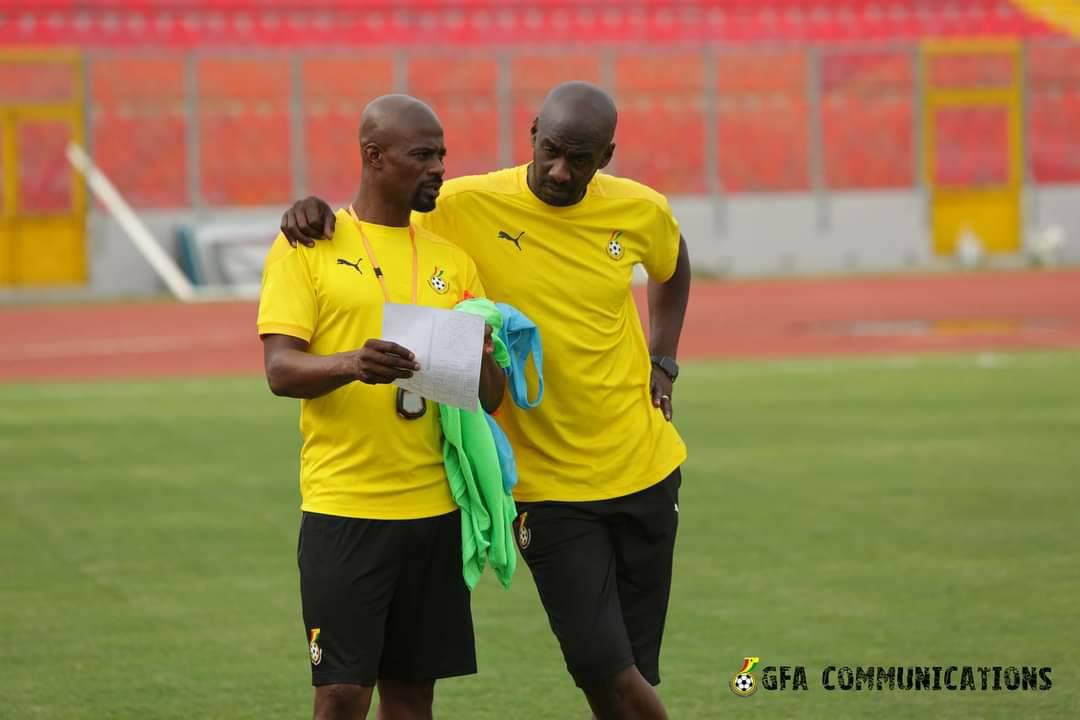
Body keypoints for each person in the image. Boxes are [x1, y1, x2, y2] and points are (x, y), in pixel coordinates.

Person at [280, 82, 692, 720]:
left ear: (606, 156)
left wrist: (662, 360)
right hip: (543, 489)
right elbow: (377, 213)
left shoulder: (640, 210)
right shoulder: (463, 204)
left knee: (628, 675)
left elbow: (672, 264)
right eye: (550, 150)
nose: (560, 170)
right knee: (603, 671)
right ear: (531, 133)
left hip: (646, 469)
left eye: (580, 159)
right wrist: (313, 209)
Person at [259, 94, 504, 720]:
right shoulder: (308, 244)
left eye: (442, 155)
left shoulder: (454, 262)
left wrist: (481, 355)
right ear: (374, 157)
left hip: (433, 512)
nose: (438, 168)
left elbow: (490, 398)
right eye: (422, 155)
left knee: (412, 697)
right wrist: (351, 364)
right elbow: (280, 370)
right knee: (341, 695)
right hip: (345, 510)